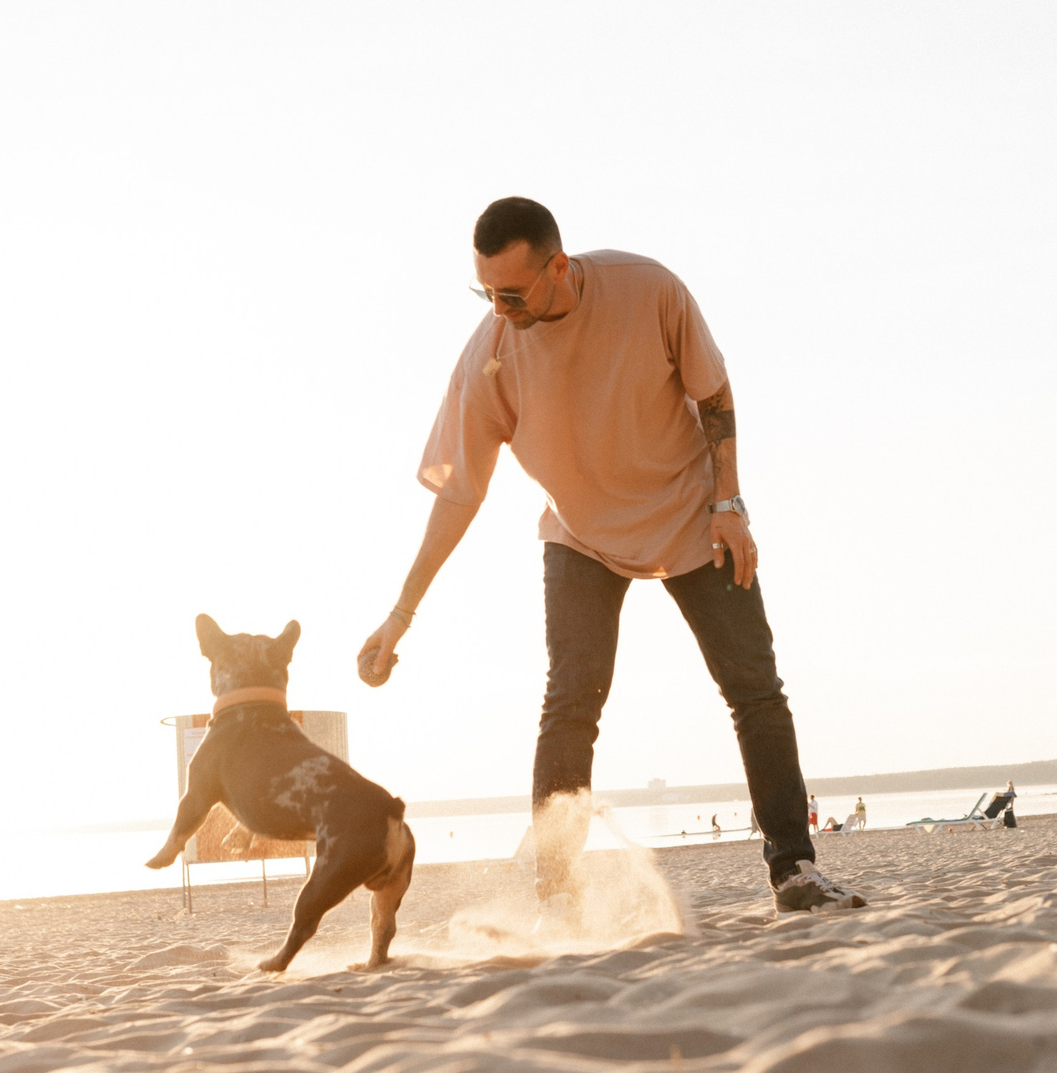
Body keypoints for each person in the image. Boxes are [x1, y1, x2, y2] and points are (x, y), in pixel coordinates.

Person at [355, 203, 866, 922]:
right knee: (571, 698)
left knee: (754, 687)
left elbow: (713, 395)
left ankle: (794, 867)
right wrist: (398, 615)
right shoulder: (489, 355)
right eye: (486, 294)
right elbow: (459, 496)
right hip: (582, 536)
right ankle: (556, 896)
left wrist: (731, 504)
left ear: (558, 267)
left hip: (692, 516)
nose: (498, 310)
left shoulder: (647, 290)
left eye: (512, 293)